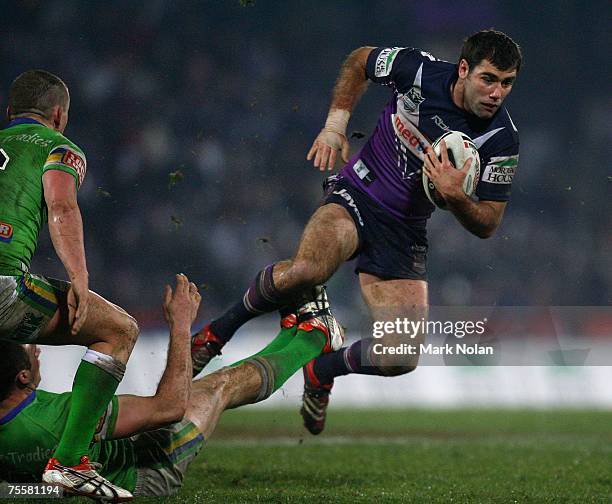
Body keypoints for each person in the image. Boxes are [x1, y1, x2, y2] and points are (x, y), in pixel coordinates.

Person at [190, 30, 522, 434]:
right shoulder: (418, 70)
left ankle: (322, 369)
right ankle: (215, 333)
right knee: (308, 270)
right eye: (489, 79)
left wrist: (458, 198)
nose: (496, 93)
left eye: (507, 83)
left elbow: (488, 222)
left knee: (401, 355)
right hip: (358, 192)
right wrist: (335, 126)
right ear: (464, 69)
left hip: (405, 231)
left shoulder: (501, 139)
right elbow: (360, 60)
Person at [0, 274, 344, 498]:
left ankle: (287, 329)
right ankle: (315, 337)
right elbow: (168, 409)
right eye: (28, 353)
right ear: (23, 377)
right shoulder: (58, 417)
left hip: (102, 453)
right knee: (220, 386)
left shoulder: (18, 422)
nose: (35, 350)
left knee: (193, 388)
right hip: (147, 467)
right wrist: (180, 325)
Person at [0, 70, 140, 498]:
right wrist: (78, 276)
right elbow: (61, 205)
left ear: (9, 112)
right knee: (119, 330)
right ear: (58, 115)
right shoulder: (59, 148)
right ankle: (69, 463)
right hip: (3, 285)